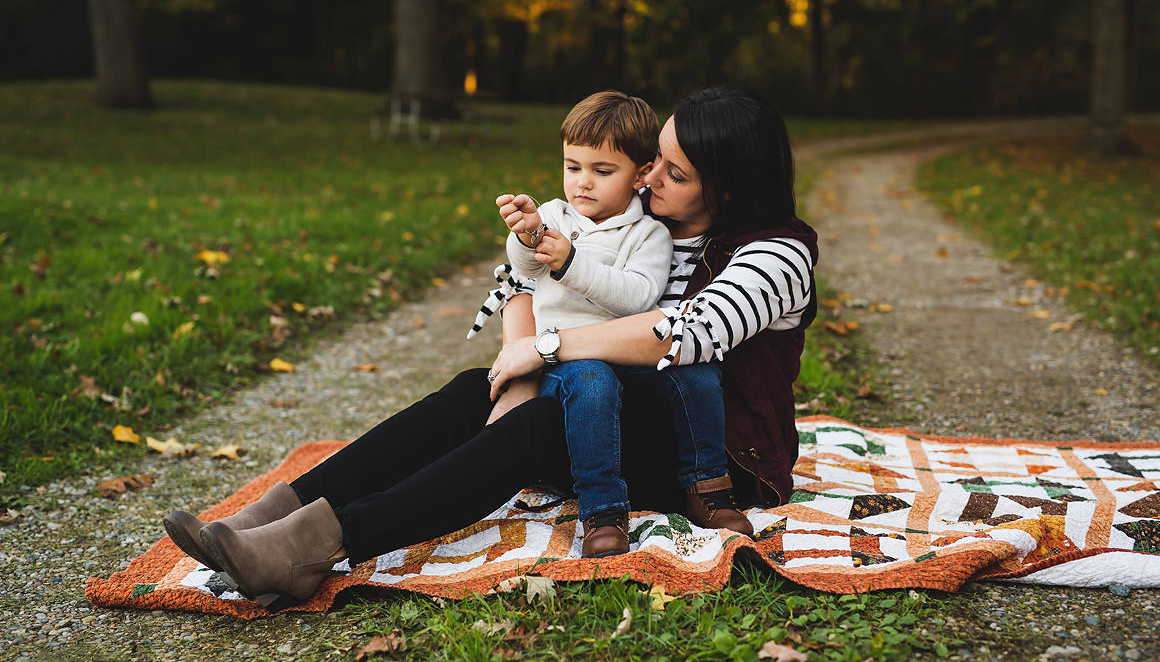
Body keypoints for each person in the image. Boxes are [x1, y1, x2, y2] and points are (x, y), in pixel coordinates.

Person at [161, 85, 818, 612]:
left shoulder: (777, 253)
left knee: (539, 422)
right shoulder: (648, 213)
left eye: (674, 172)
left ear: (727, 188)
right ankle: (275, 513)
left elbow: (688, 334)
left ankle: (314, 549)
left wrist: (547, 349)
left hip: (720, 452)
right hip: (614, 405)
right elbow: (520, 279)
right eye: (655, 162)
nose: (648, 180)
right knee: (474, 391)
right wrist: (522, 361)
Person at [478, 90, 748, 559]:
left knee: (698, 376)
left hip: (626, 356)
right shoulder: (554, 217)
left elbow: (637, 298)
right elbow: (525, 268)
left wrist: (571, 261)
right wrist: (525, 235)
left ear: (642, 173)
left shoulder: (649, 234)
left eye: (602, 172)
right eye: (572, 167)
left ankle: (708, 486)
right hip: (564, 365)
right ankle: (602, 509)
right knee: (593, 381)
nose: (582, 183)